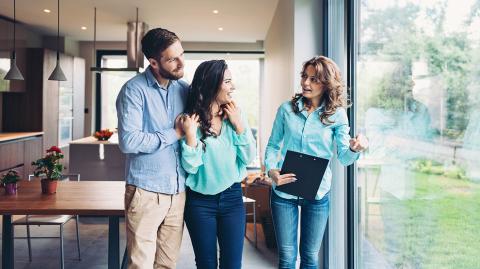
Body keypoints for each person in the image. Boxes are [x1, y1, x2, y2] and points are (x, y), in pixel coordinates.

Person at [264, 56, 368, 269]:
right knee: (287, 256)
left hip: (318, 193)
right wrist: (271, 171)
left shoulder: (337, 115)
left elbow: (344, 158)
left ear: (327, 83)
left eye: (314, 79)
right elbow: (273, 145)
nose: (305, 83)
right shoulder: (286, 109)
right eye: (304, 77)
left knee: (310, 256)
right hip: (284, 191)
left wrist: (354, 149)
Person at [116, 28, 188, 269]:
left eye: (182, 54)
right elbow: (129, 141)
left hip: (177, 192)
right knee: (141, 265)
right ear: (154, 62)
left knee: (167, 265)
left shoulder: (183, 89)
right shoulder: (133, 90)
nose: (181, 63)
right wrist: (174, 134)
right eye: (172, 59)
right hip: (145, 191)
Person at [180, 60, 256, 269]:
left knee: (232, 265)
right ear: (213, 85)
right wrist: (190, 136)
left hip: (232, 198)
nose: (233, 87)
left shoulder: (235, 116)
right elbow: (191, 168)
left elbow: (249, 157)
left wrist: (239, 124)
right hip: (199, 203)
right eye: (228, 82)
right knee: (206, 264)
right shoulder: (190, 121)